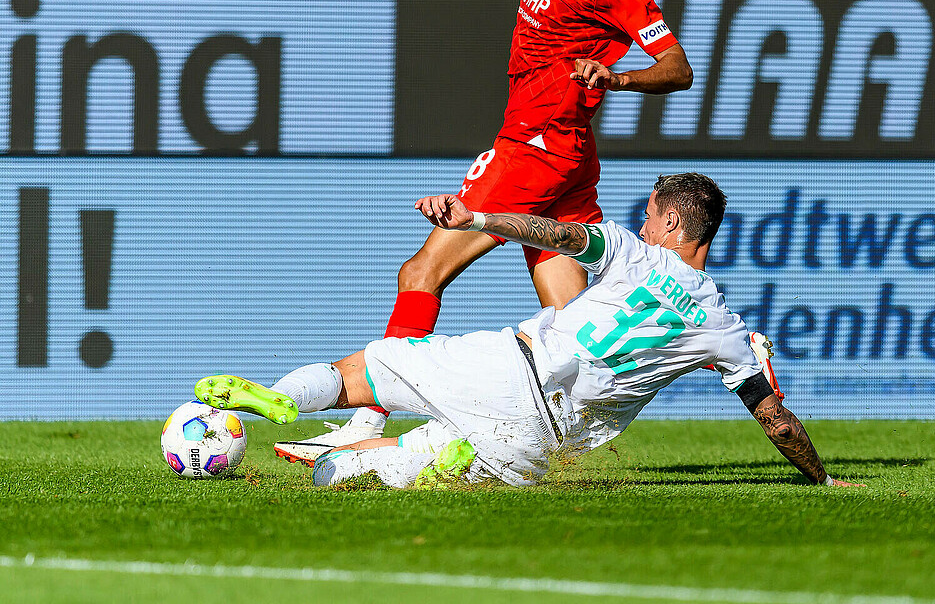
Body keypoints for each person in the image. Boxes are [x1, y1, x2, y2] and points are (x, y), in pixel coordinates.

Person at [271, 0, 707, 464]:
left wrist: (616, 77)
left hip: (534, 148)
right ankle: (564, 436)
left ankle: (367, 418)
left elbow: (678, 68)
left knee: (420, 274)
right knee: (571, 317)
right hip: (567, 155)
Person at [198, 173, 857, 490]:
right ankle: (427, 458)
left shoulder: (632, 251)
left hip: (508, 364)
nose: (645, 222)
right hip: (543, 438)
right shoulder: (724, 329)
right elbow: (778, 424)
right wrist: (822, 479)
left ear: (673, 228)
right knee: (359, 479)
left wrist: (476, 216)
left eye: (652, 216)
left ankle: (284, 398)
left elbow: (553, 233)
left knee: (360, 372)